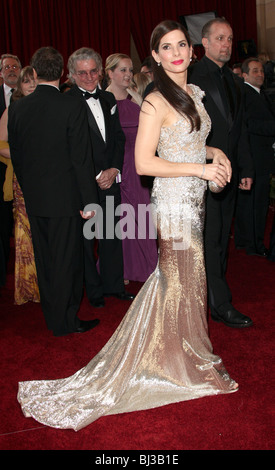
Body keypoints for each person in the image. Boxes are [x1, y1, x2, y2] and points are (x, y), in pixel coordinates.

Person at [17, 21, 238, 431]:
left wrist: (216, 150)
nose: (175, 52)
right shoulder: (155, 100)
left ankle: (185, 353)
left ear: (192, 51)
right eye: (165, 47)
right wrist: (201, 169)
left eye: (181, 45)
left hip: (194, 198)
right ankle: (174, 360)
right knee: (178, 278)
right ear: (154, 56)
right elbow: (144, 163)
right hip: (174, 203)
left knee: (189, 279)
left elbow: (188, 139)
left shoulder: (194, 93)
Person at [8, 47, 100, 336]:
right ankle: (67, 321)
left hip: (36, 199)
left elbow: (17, 156)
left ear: (33, 72)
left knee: (45, 259)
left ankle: (53, 318)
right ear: (63, 74)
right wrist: (89, 201)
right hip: (66, 200)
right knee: (67, 262)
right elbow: (81, 159)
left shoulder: (18, 107)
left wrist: (30, 190)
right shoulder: (72, 106)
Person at [188, 17, 254, 328]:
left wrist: (245, 167)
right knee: (209, 239)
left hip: (228, 172)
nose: (226, 44)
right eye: (220, 39)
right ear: (204, 43)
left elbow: (239, 131)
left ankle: (214, 295)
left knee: (220, 238)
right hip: (201, 171)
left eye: (229, 38)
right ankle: (220, 303)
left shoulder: (235, 80)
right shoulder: (191, 77)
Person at [67, 47, 135, 308]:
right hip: (84, 183)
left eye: (93, 71)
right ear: (72, 75)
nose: (88, 77)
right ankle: (94, 292)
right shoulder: (68, 101)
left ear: (99, 71)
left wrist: (114, 169)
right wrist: (95, 175)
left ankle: (113, 286)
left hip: (109, 178)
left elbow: (118, 138)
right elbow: (70, 148)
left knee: (110, 236)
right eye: (82, 73)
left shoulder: (108, 100)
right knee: (86, 240)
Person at [105, 53, 158, 283]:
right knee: (118, 219)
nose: (128, 74)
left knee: (142, 216)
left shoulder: (136, 98)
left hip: (139, 167)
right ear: (110, 73)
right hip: (115, 168)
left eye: (129, 70)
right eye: (122, 70)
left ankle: (146, 264)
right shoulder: (102, 100)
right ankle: (122, 268)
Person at [0, 66, 40, 305]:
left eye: (34, 81)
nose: (31, 86)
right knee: (26, 230)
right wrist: (20, 155)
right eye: (26, 82)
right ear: (19, 87)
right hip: (23, 178)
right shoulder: (13, 109)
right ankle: (28, 286)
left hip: (45, 178)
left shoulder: (45, 108)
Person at [234, 58, 275, 256]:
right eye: (255, 71)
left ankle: (247, 241)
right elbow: (249, 125)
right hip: (254, 157)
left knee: (253, 203)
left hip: (261, 157)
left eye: (261, 71)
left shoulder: (260, 94)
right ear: (245, 75)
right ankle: (253, 244)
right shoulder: (245, 94)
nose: (260, 74)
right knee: (255, 205)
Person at [0, 54, 22, 287]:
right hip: (5, 172)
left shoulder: (34, 103)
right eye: (7, 67)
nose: (12, 70)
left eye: (16, 66)